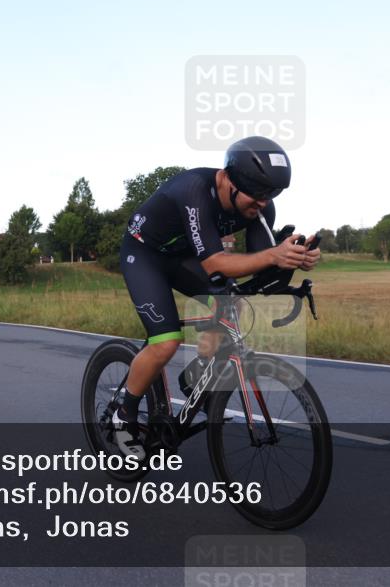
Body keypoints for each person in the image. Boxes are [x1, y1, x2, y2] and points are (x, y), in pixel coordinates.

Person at [113, 136, 321, 457]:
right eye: (256, 194)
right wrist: (273, 257)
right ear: (227, 179)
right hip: (144, 254)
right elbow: (215, 263)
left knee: (228, 300)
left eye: (271, 195)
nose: (262, 203)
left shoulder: (259, 205)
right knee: (166, 341)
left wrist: (292, 260)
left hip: (182, 256)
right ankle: (122, 415)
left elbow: (259, 264)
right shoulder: (194, 190)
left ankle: (194, 377)